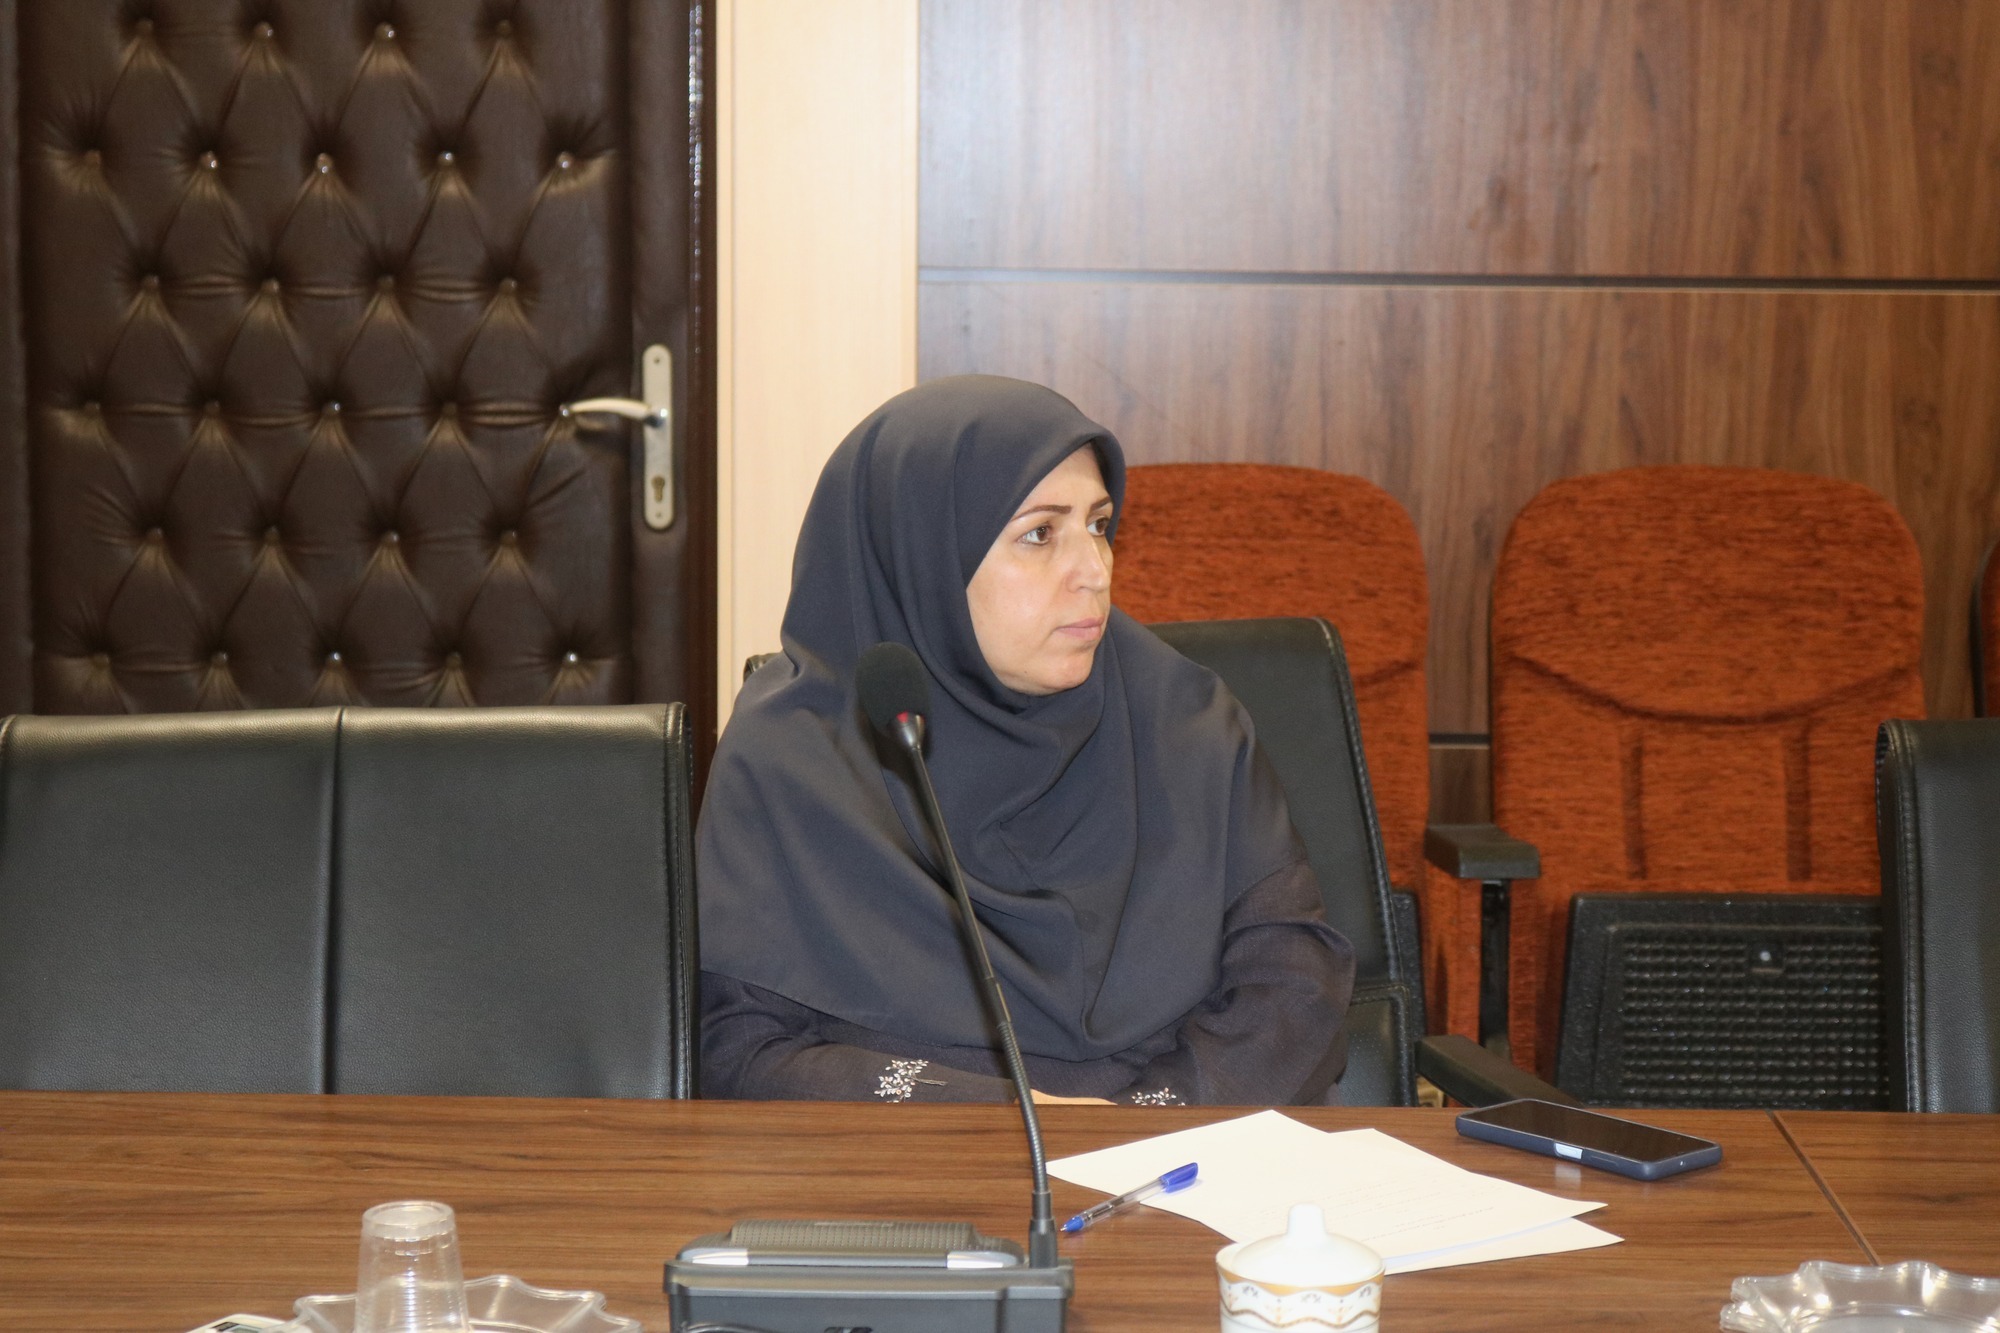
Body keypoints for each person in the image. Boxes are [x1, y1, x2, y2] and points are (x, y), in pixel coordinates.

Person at [697, 375, 1355, 1105]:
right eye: (1040, 534)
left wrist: (1139, 1121)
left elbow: (1294, 981)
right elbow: (739, 1049)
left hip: (1176, 1152)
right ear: (924, 559)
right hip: (910, 1162)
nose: (1095, 571)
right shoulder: (792, 755)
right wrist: (1000, 1117)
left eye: (1099, 525)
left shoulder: (1184, 718)